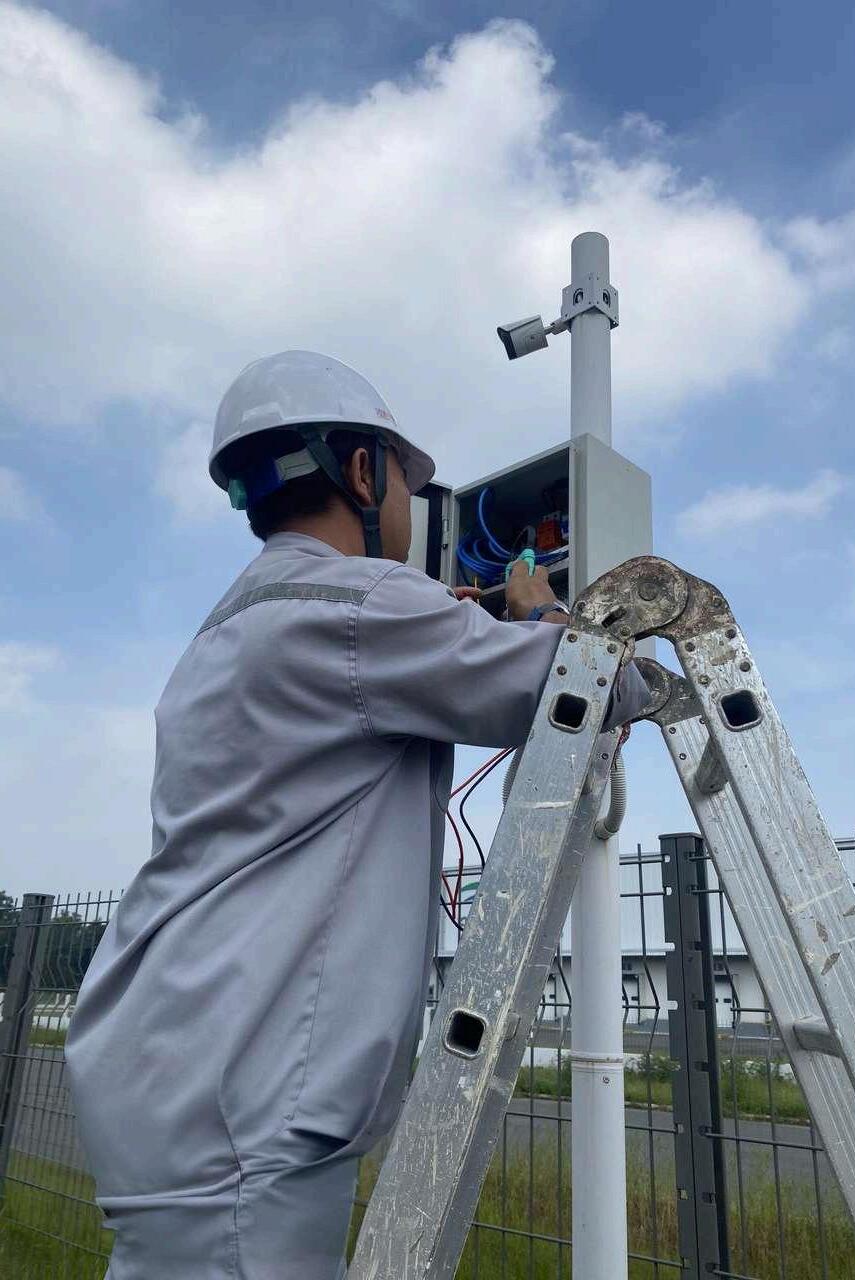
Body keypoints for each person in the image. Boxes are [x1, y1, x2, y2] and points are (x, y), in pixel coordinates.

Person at [65, 350, 649, 1279]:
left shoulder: (236, 621)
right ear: (366, 472)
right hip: (244, 1093)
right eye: (406, 483)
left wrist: (441, 628)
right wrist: (542, 611)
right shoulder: (361, 605)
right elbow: (603, 682)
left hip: (170, 1062)